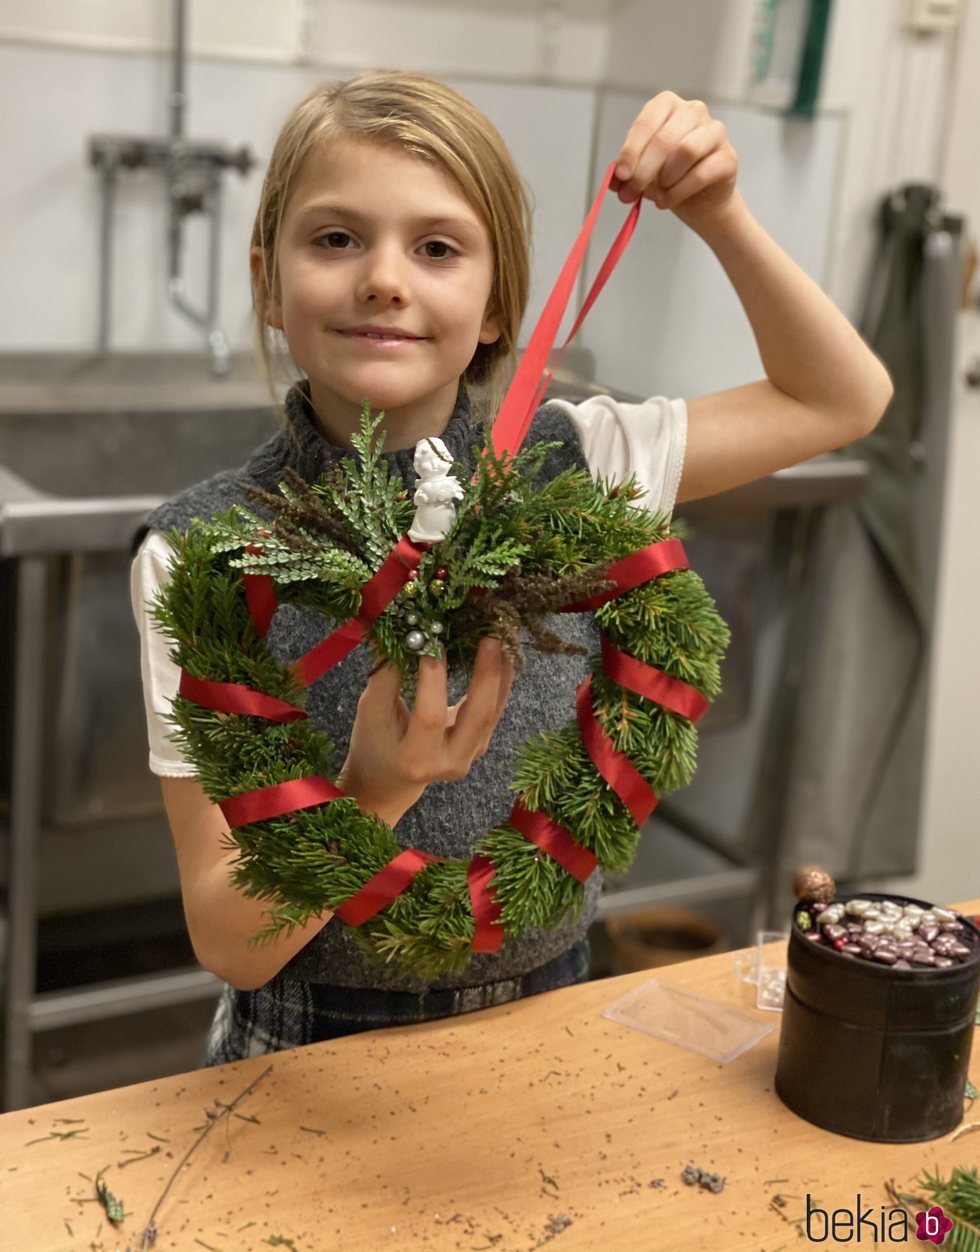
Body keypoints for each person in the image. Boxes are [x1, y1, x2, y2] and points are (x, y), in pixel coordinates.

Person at [131, 71, 892, 1064]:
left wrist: (718, 215)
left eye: (437, 247)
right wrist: (371, 790)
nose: (383, 279)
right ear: (267, 283)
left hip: (554, 1024)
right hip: (306, 1053)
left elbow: (840, 397)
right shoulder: (197, 555)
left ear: (497, 306)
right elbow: (229, 940)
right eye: (334, 238)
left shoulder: (581, 459)